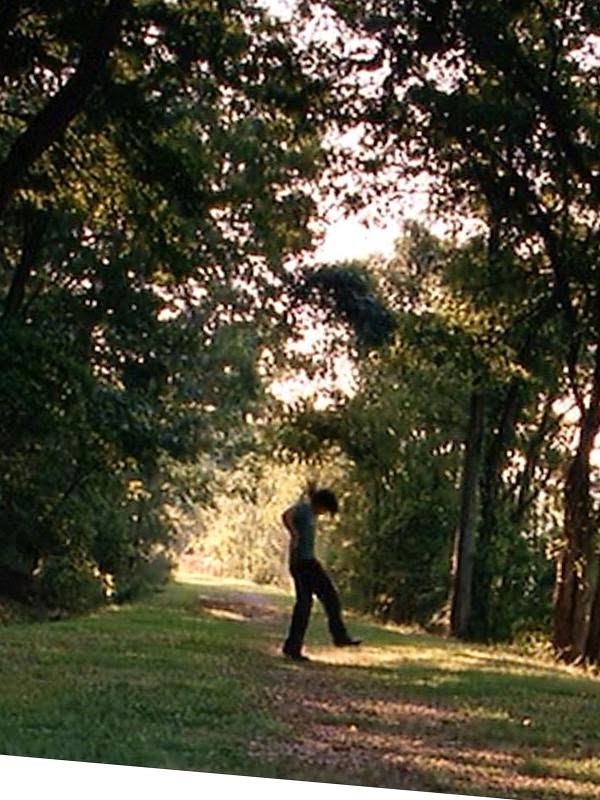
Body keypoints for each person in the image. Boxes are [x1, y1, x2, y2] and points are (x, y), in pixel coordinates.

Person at [281, 482, 361, 661]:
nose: (324, 514)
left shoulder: (310, 513)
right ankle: (338, 637)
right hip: (303, 563)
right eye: (325, 510)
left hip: (307, 561)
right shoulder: (304, 509)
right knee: (324, 599)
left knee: (308, 604)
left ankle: (293, 647)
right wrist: (294, 534)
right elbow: (286, 515)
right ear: (320, 504)